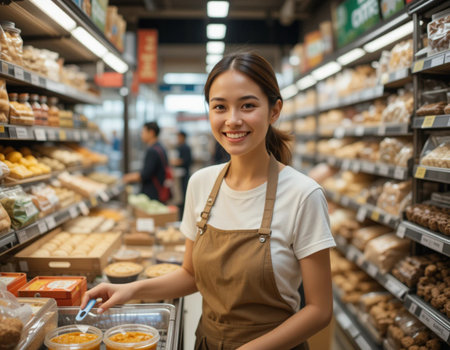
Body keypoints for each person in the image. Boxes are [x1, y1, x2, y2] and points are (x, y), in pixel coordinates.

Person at [81, 52, 335, 349]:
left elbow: (319, 310)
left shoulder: (304, 195)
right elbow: (191, 275)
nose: (232, 120)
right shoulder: (201, 184)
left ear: (274, 110)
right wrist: (129, 290)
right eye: (220, 107)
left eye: (248, 105)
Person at [122, 121, 170, 203]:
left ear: (151, 133)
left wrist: (127, 178)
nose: (141, 135)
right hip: (160, 189)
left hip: (152, 193)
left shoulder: (152, 151)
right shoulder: (160, 148)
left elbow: (145, 174)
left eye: (143, 132)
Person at [172, 130, 192, 201]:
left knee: (185, 191)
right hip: (178, 173)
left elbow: (185, 160)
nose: (178, 138)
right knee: (179, 191)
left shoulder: (186, 148)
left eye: (179, 137)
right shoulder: (178, 147)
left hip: (185, 173)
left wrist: (175, 162)